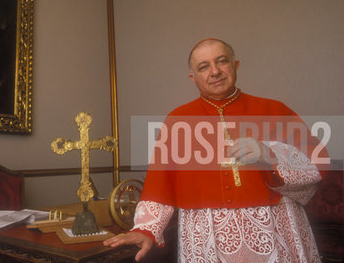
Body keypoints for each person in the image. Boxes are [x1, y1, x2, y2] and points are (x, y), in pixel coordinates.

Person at [104, 38, 326, 262]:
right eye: (204, 67)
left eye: (222, 62)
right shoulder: (177, 120)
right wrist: (145, 230)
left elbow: (316, 164)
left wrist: (269, 154)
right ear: (193, 77)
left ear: (235, 65)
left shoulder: (274, 110)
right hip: (206, 233)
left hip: (274, 228)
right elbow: (161, 184)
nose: (215, 71)